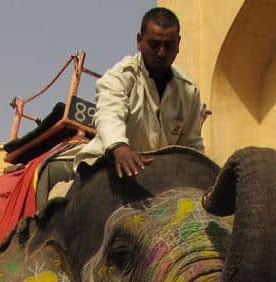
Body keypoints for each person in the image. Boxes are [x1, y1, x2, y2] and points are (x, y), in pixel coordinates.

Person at [74, 7, 205, 176]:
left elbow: (192, 145)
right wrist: (119, 146)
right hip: (108, 165)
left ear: (178, 44)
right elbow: (109, 114)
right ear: (139, 41)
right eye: (154, 44)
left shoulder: (189, 91)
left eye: (168, 45)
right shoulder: (118, 77)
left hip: (162, 177)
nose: (161, 53)